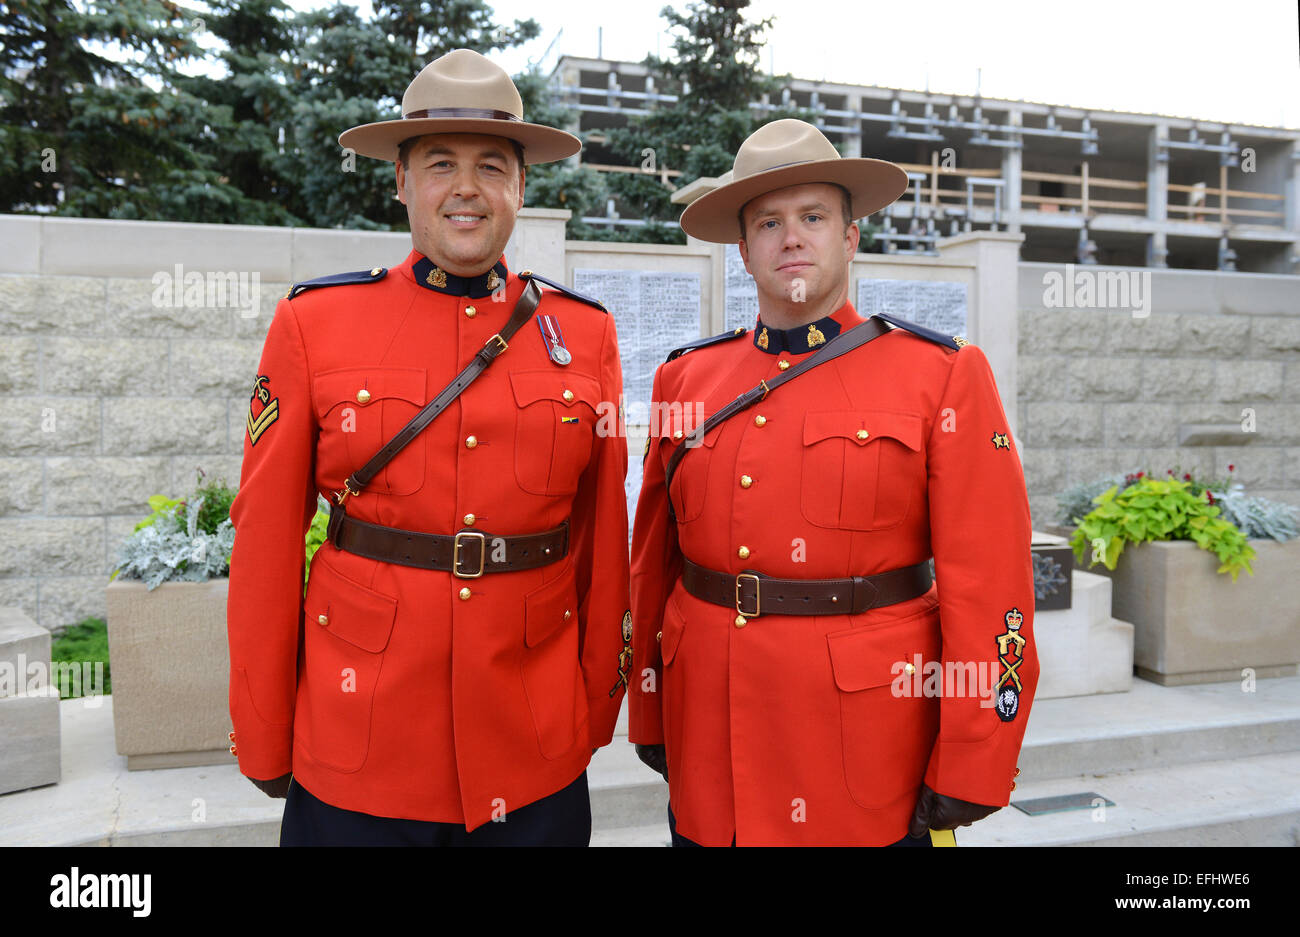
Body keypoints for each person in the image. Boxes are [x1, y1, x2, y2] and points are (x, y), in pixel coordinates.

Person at [226, 49, 631, 846]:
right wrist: (267, 725)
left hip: (533, 742)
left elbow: (600, 544)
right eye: (440, 164)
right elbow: (267, 541)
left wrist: (592, 706)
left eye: (491, 165)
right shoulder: (315, 324)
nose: (467, 188)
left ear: (522, 185)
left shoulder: (585, 336)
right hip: (361, 741)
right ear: (402, 181)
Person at [627, 119, 1038, 846]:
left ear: (850, 237)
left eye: (813, 217)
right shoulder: (685, 377)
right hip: (710, 748)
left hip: (864, 759)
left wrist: (973, 756)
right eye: (769, 223)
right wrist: (650, 705)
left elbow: (991, 583)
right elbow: (653, 567)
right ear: (744, 250)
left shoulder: (940, 375)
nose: (792, 238)